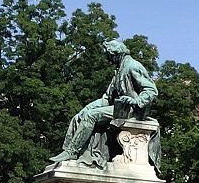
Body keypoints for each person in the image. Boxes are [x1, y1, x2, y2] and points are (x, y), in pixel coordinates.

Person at [51, 38, 158, 169]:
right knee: (80, 116)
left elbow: (151, 90)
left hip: (131, 110)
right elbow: (106, 98)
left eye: (109, 56)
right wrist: (87, 108)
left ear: (116, 54)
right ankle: (72, 152)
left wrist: (136, 101)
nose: (108, 59)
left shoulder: (133, 66)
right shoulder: (119, 70)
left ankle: (72, 152)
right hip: (119, 108)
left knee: (91, 116)